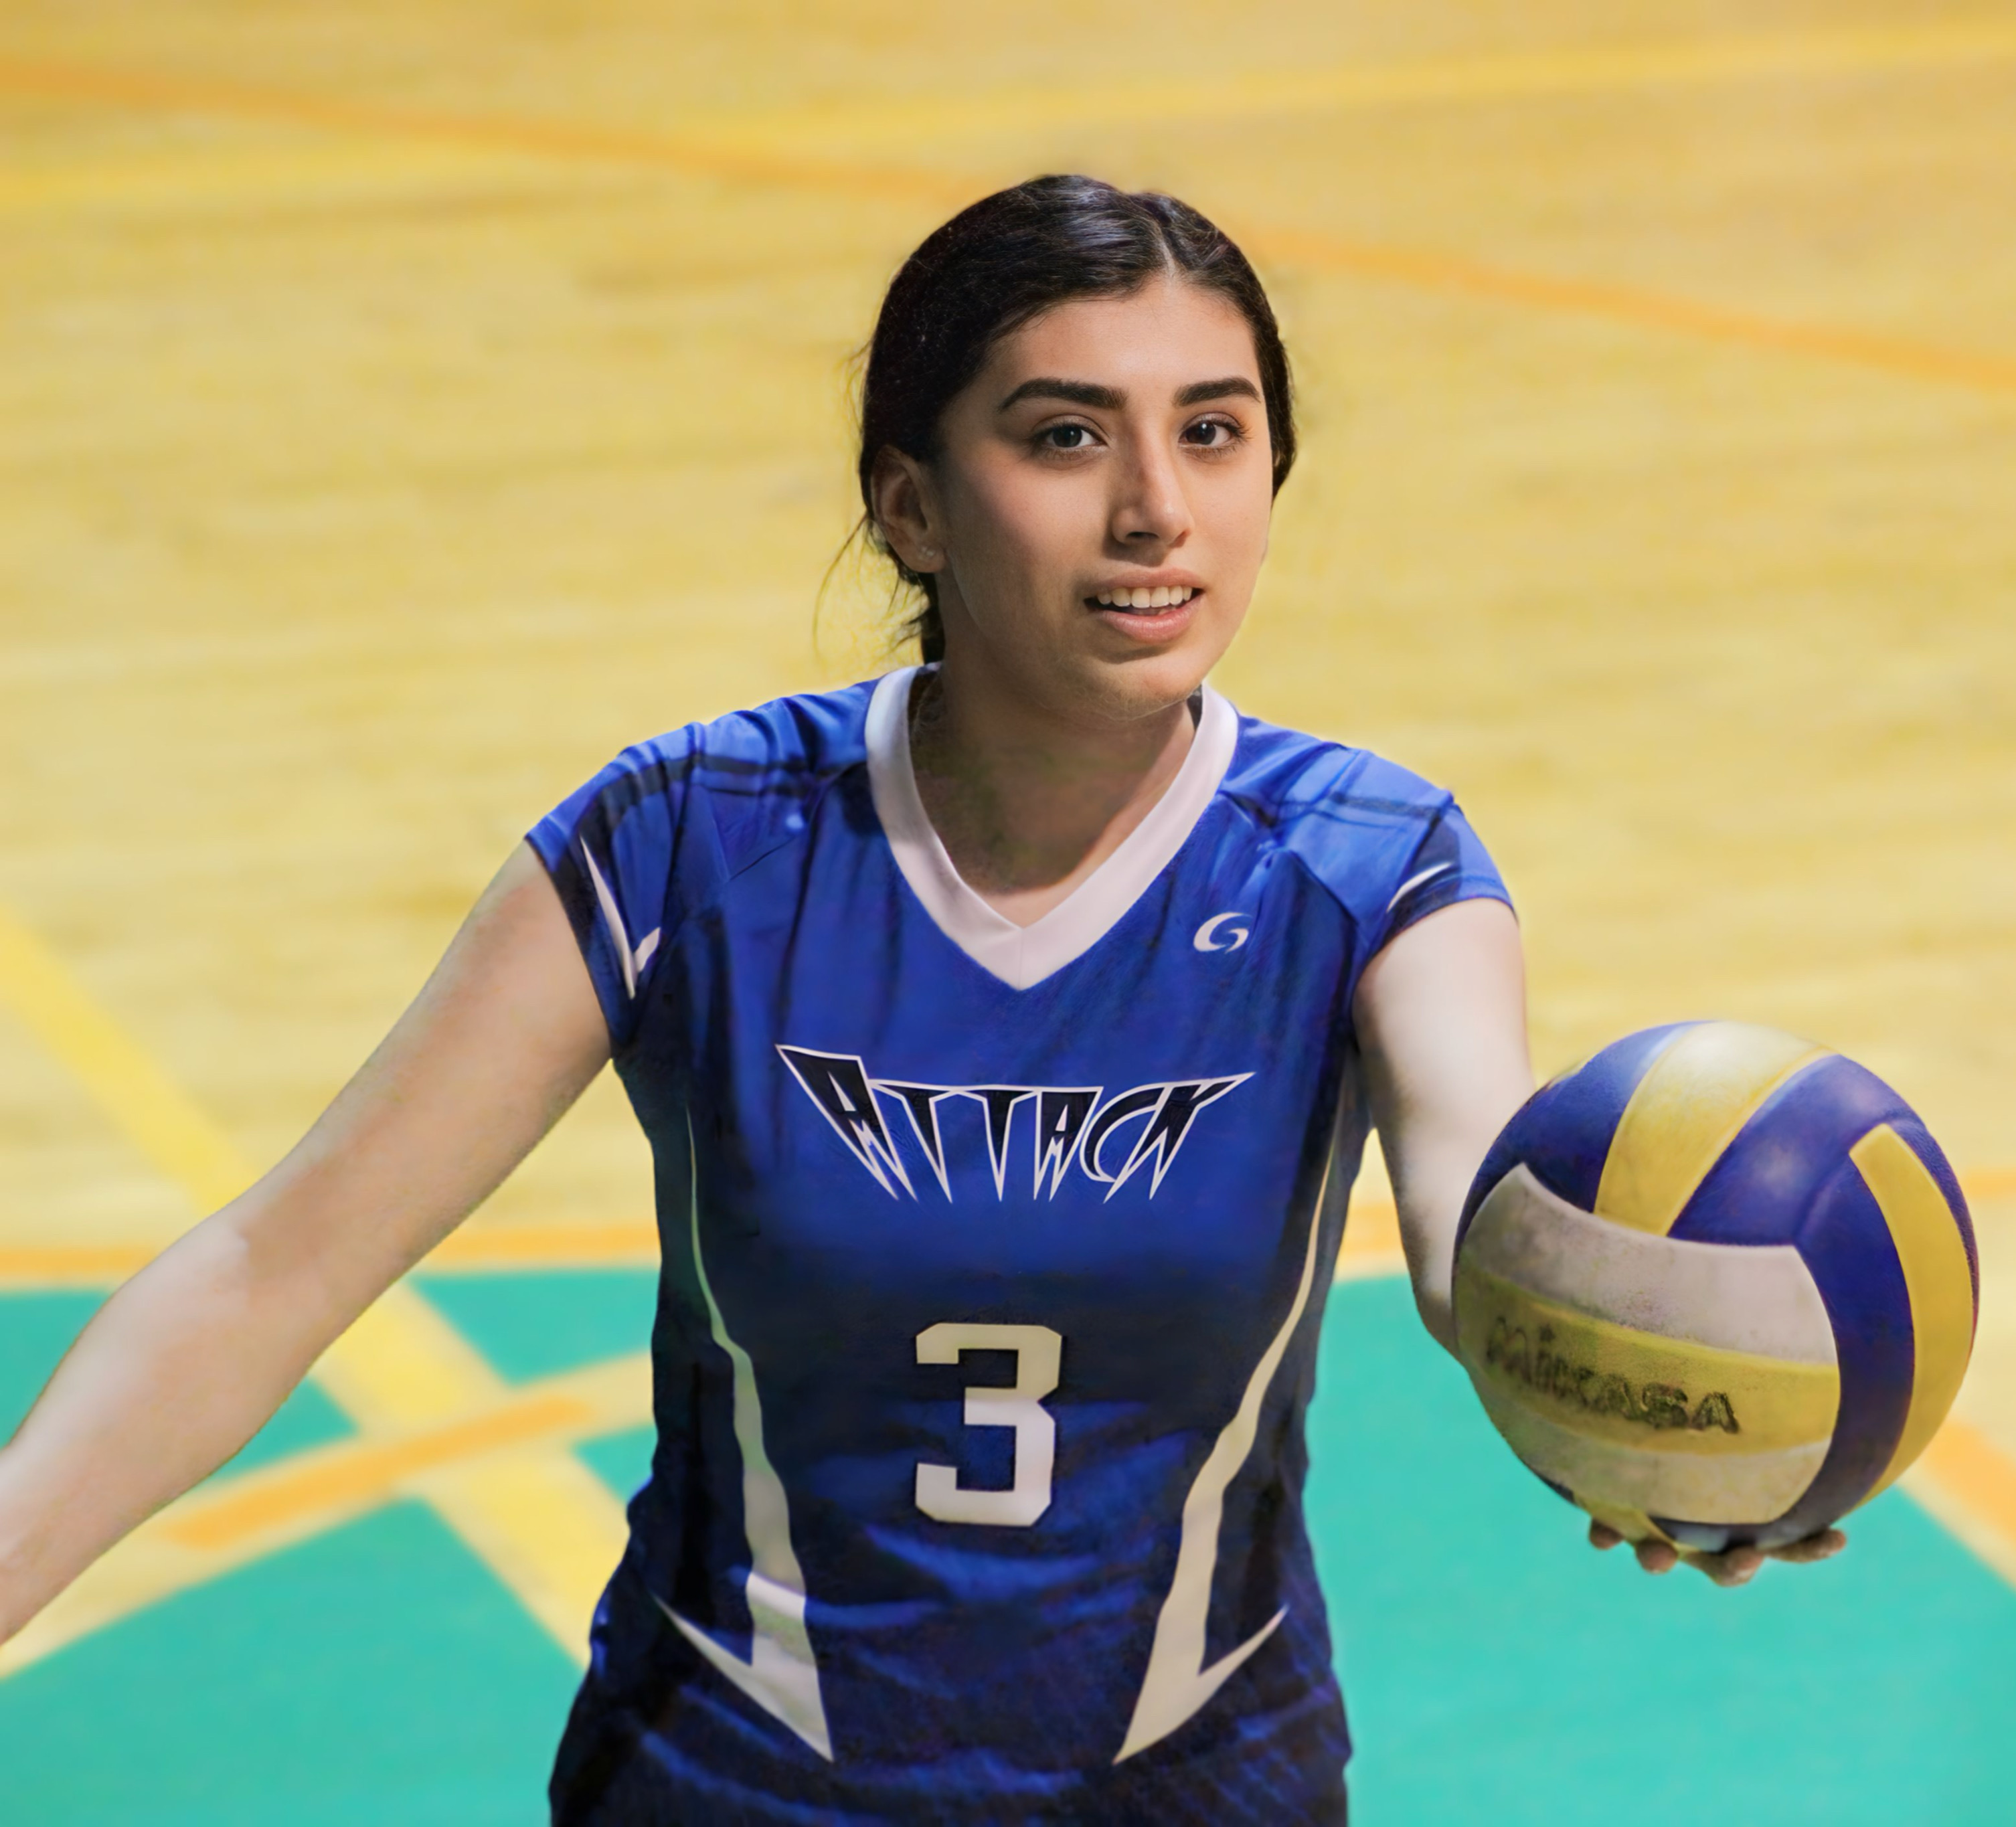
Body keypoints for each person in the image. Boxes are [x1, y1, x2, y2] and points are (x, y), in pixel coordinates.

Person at [0, 175, 1832, 1824]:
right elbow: (276, 1265)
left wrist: (1624, 1378)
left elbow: (1473, 1231)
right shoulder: (688, 843)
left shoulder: (1369, 862)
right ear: (912, 504)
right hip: (726, 1784)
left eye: (1216, 431)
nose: (1156, 511)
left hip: (1206, 1789)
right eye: (1064, 436)